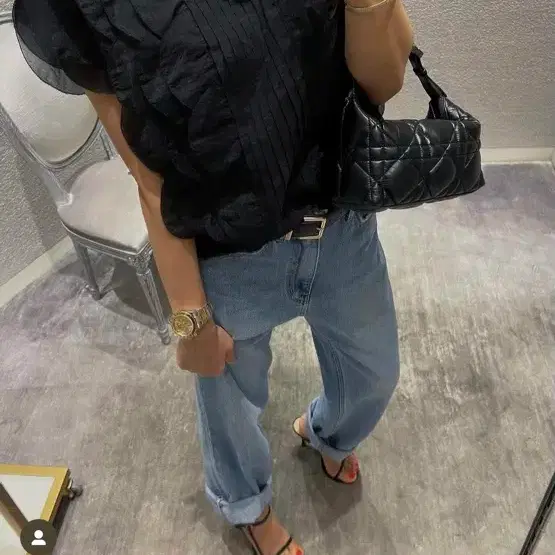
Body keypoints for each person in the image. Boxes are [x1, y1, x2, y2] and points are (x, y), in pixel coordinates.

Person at [14, 0, 413, 553]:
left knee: (375, 374)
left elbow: (383, 84)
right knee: (230, 416)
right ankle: (249, 508)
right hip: (229, 259)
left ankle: (326, 432)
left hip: (342, 225)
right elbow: (151, 181)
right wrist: (191, 319)